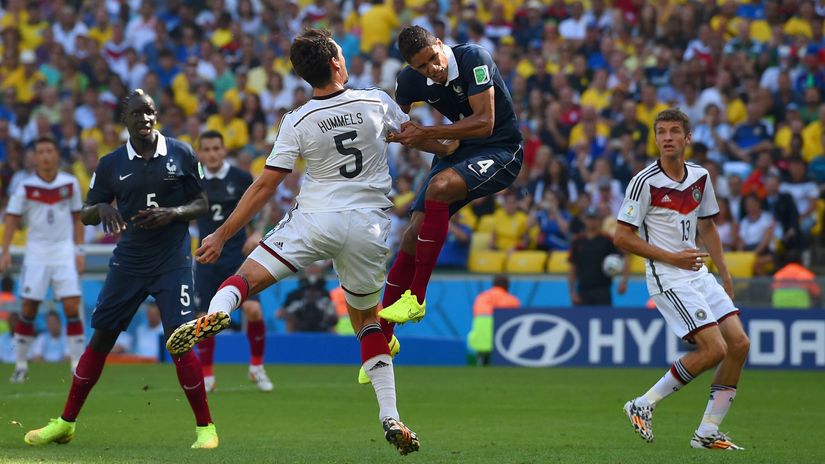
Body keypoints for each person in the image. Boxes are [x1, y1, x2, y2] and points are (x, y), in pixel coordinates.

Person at [165, 29, 419, 455]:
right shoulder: (375, 100)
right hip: (368, 226)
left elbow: (265, 186)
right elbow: (413, 133)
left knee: (243, 279)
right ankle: (389, 415)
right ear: (337, 63)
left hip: (314, 221)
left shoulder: (297, 120)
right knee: (368, 322)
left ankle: (217, 313)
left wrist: (221, 232)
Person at [24, 90, 218, 449]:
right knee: (100, 339)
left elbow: (202, 202)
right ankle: (65, 423)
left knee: (179, 341)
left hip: (171, 262)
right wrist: (103, 210)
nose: (144, 119)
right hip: (128, 262)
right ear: (124, 120)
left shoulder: (182, 153)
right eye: (136, 114)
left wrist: (172, 213)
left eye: (149, 112)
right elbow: (86, 210)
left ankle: (205, 428)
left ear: (156, 115)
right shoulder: (111, 163)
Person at [614, 109, 750, 450]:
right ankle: (643, 403)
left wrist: (725, 273)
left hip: (698, 273)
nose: (668, 137)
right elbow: (622, 237)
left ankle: (706, 432)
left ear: (687, 138)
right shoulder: (644, 182)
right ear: (656, 138)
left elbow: (707, 226)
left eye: (675, 131)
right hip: (667, 275)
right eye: (661, 132)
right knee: (714, 348)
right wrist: (672, 257)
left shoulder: (700, 177)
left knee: (738, 345)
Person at [378, 25, 523, 341]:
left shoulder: (473, 57)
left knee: (439, 188)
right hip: (458, 150)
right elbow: (400, 127)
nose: (432, 69)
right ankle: (383, 336)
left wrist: (427, 133)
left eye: (433, 58)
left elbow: (485, 123)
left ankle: (416, 297)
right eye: (421, 66)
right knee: (412, 233)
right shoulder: (409, 81)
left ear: (440, 45)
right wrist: (435, 145)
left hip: (501, 150)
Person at [194, 130, 272, 393]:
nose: (212, 154)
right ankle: (207, 377)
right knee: (204, 319)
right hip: (206, 258)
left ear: (224, 150)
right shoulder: (195, 180)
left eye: (216, 148)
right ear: (200, 153)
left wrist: (258, 232)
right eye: (206, 149)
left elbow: (261, 203)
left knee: (254, 311)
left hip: (237, 257)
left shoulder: (239, 177)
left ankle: (257, 367)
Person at [2, 136, 85, 383]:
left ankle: (77, 365)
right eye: (41, 152)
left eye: (50, 150)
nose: (46, 156)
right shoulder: (25, 187)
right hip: (36, 254)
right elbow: (12, 219)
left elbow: (77, 218)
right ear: (35, 157)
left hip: (63, 252)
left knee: (72, 306)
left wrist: (79, 251)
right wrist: (5, 251)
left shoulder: (69, 184)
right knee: (28, 309)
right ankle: (20, 365)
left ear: (56, 154)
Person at [568, 207, 629, 306]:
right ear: (584, 220)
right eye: (589, 218)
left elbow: (624, 256)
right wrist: (572, 292)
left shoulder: (607, 240)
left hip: (603, 291)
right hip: (583, 291)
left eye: (594, 218)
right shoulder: (577, 241)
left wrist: (624, 282)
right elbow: (573, 268)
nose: (592, 222)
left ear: (599, 220)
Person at [468, 274, 520, 365]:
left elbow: (476, 313)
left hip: (480, 334)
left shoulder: (481, 297)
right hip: (500, 333)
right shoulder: (512, 299)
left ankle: (481, 359)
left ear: (493, 284)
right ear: (507, 286)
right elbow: (515, 320)